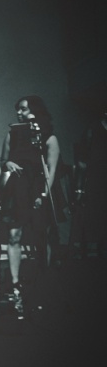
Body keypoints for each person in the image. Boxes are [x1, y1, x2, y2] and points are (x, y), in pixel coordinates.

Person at [0, 95, 64, 318]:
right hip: (18, 187)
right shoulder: (12, 134)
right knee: (14, 234)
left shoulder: (48, 137)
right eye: (18, 109)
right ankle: (16, 283)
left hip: (39, 187)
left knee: (40, 236)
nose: (20, 113)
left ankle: (42, 278)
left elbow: (52, 170)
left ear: (35, 111)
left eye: (24, 109)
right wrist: (8, 163)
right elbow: (3, 159)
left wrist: (43, 195)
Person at [72, 109, 107, 259]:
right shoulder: (93, 128)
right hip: (94, 178)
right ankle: (90, 251)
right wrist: (80, 188)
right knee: (93, 213)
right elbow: (81, 159)